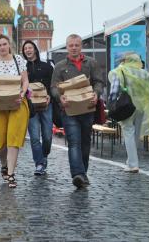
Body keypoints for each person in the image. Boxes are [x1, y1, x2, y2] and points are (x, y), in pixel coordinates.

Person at [51, 34, 104, 188]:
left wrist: (96, 93)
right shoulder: (60, 66)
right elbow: (54, 87)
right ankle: (77, 174)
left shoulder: (91, 63)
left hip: (88, 109)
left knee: (85, 143)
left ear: (81, 46)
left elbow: (99, 82)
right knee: (74, 142)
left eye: (76, 45)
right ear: (66, 47)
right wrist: (59, 98)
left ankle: (83, 173)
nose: (74, 47)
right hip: (68, 110)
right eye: (71, 45)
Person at [0, 34, 30, 188]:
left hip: (17, 103)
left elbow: (25, 81)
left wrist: (22, 94)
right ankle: (4, 164)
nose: (2, 47)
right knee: (0, 141)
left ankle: (11, 174)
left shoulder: (19, 60)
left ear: (9, 45)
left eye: (4, 44)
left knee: (13, 138)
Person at [108, 52, 149, 173]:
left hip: (126, 105)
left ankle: (133, 164)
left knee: (128, 132)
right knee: (136, 134)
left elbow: (114, 90)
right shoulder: (143, 72)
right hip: (142, 106)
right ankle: (131, 161)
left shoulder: (119, 71)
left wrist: (112, 105)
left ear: (124, 61)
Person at [22, 40, 53, 176]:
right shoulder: (22, 68)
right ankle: (39, 163)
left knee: (47, 136)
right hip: (30, 105)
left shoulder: (47, 66)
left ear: (35, 49)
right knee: (34, 137)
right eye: (25, 48)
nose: (28, 50)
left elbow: (53, 84)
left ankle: (44, 155)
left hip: (46, 104)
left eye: (30, 47)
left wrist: (50, 96)